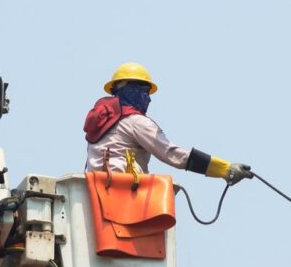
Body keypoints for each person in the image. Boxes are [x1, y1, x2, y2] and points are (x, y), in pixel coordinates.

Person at [84, 63, 252, 185]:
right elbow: (173, 155)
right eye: (145, 92)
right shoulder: (136, 122)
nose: (148, 98)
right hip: (122, 192)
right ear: (132, 90)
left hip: (95, 191)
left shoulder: (103, 122)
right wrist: (225, 169)